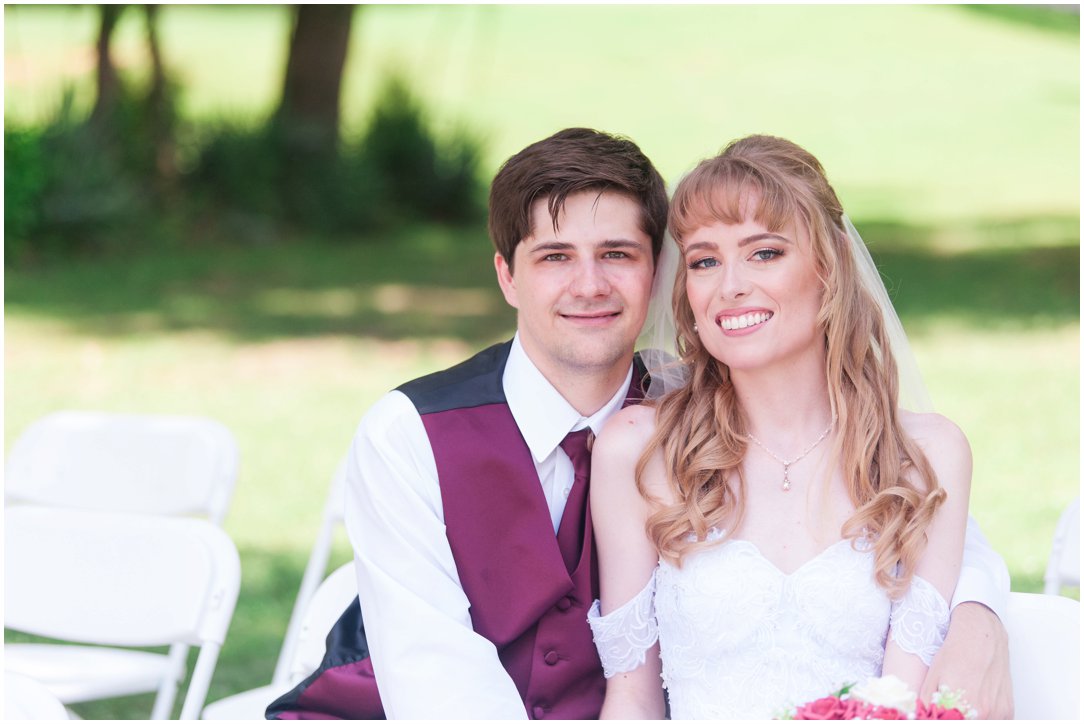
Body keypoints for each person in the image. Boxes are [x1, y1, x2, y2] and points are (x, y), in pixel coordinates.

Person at [268, 129, 1011, 721]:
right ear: (506, 275)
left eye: (617, 255)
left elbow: (921, 518)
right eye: (556, 257)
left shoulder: (714, 394)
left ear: (656, 273)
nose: (589, 286)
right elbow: (438, 686)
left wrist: (979, 615)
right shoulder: (409, 436)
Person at [587, 134, 1010, 719]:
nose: (730, 285)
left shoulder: (928, 457)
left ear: (830, 262)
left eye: (764, 252)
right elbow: (631, 697)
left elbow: (903, 701)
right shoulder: (640, 451)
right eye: (705, 260)